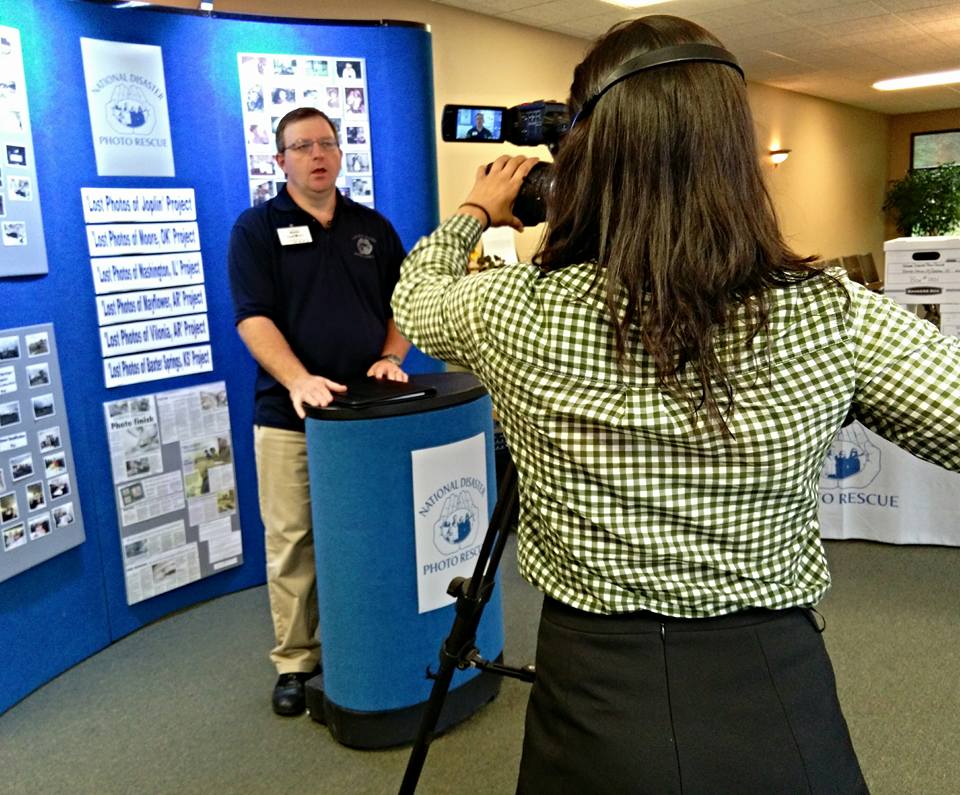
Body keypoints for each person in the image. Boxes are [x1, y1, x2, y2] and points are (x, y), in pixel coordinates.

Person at [392, 14, 960, 793]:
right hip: (771, 692)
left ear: (586, 158)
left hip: (589, 693)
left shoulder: (515, 311)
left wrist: (475, 210)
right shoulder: (834, 314)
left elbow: (416, 297)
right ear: (733, 155)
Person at [228, 106, 410, 717]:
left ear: (340, 152)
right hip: (290, 417)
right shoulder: (256, 230)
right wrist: (299, 379)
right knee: (292, 540)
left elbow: (404, 302)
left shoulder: (372, 228)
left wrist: (390, 355)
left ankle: (374, 641)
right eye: (302, 146)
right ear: (280, 160)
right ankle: (297, 662)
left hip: (368, 421)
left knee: (376, 534)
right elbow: (253, 318)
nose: (316, 154)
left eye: (326, 143)